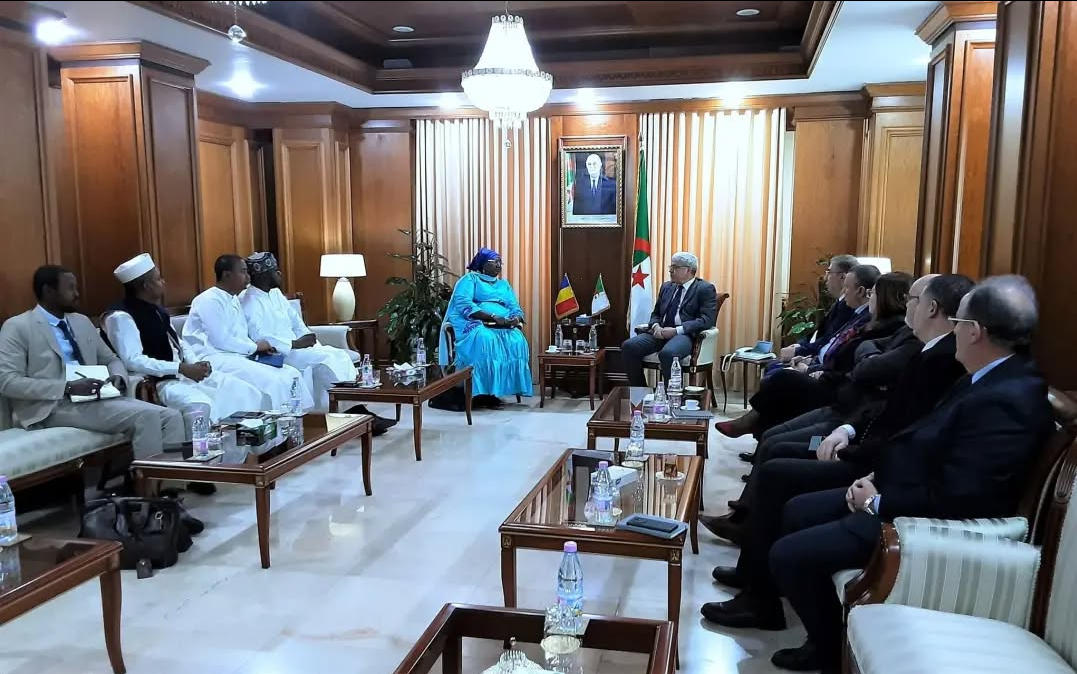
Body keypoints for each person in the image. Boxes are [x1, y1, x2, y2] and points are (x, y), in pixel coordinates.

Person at [705, 275, 1055, 674]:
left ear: (974, 331)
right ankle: (812, 634)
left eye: (958, 324)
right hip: (892, 483)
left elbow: (965, 496)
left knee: (789, 553)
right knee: (797, 510)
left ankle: (829, 651)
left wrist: (876, 499)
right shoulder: (990, 377)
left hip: (920, 523)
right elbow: (918, 439)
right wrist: (875, 475)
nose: (953, 332)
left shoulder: (1006, 400)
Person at [703, 274, 972, 548]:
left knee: (779, 452)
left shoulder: (932, 355)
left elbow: (875, 386)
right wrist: (848, 427)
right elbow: (861, 355)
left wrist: (850, 442)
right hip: (848, 418)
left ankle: (751, 536)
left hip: (854, 436)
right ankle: (745, 519)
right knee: (774, 440)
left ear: (931, 308)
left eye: (912, 299)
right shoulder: (911, 336)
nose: (907, 304)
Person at [0, 265, 184, 459]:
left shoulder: (81, 322)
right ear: (49, 291)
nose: (77, 294)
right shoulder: (18, 327)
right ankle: (150, 478)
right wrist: (67, 387)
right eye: (70, 288)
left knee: (172, 417)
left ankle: (175, 475)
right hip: (53, 405)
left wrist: (117, 377)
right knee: (147, 417)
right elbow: (8, 382)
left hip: (95, 397)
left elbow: (110, 359)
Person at [716, 266, 898, 439]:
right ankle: (759, 433)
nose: (844, 292)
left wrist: (813, 369)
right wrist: (809, 359)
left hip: (836, 388)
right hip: (823, 369)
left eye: (872, 294)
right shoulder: (861, 316)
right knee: (779, 377)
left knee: (783, 379)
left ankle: (753, 425)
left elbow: (848, 364)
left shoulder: (877, 326)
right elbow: (829, 341)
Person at [104, 253, 264, 434]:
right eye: (158, 279)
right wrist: (180, 368)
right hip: (159, 383)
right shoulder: (121, 317)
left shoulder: (157, 310)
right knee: (202, 407)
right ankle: (202, 452)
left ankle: (241, 448)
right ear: (146, 285)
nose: (163, 282)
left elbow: (178, 343)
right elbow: (132, 360)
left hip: (183, 374)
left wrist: (195, 363)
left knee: (244, 391)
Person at [182, 254, 313, 413]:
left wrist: (260, 350)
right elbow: (221, 340)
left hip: (238, 355)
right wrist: (255, 347)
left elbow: (241, 336)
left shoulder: (234, 299)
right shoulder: (208, 300)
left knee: (291, 373)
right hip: (215, 357)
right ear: (227, 275)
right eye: (243, 272)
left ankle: (301, 420)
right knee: (274, 380)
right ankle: (280, 423)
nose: (248, 277)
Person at [241, 252, 356, 412]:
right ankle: (347, 408)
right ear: (263, 276)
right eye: (274, 271)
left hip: (299, 347)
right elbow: (259, 339)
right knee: (327, 359)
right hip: (280, 353)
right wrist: (295, 344)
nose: (280, 274)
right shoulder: (249, 302)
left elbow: (296, 321)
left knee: (339, 355)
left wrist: (307, 338)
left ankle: (345, 407)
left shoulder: (275, 293)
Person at [440, 248, 532, 407]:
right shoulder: (470, 279)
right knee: (486, 339)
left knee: (518, 340)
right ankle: (480, 392)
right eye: (494, 262)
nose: (498, 265)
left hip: (503, 325)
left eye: (500, 262)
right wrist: (492, 316)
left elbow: (514, 306)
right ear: (483, 264)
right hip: (476, 322)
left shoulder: (504, 285)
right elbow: (463, 303)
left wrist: (515, 319)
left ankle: (495, 390)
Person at [621, 252, 718, 386]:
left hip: (684, 335)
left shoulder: (705, 289)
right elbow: (656, 314)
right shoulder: (667, 287)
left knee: (668, 353)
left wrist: (676, 331)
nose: (670, 271)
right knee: (629, 346)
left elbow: (707, 320)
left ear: (688, 270)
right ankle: (641, 391)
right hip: (660, 333)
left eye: (675, 267)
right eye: (671, 267)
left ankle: (672, 395)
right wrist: (656, 326)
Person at [771, 254, 859, 370]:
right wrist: (799, 345)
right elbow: (819, 333)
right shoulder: (839, 302)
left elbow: (829, 339)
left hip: (820, 364)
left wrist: (799, 351)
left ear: (842, 277)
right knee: (772, 366)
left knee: (774, 371)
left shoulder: (849, 307)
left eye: (828, 272)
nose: (825, 278)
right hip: (813, 356)